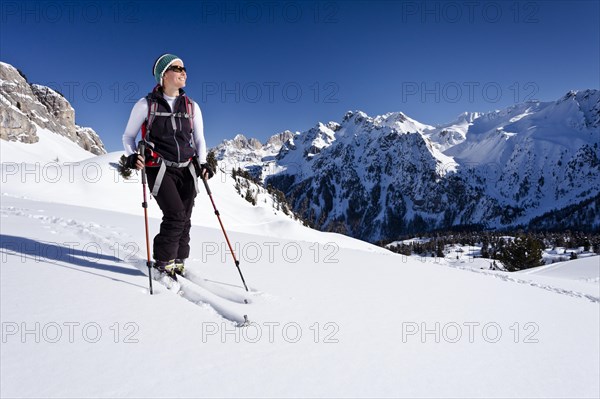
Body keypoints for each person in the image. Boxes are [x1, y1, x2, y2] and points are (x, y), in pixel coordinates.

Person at [122, 53, 214, 279]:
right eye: (177, 68)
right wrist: (132, 157)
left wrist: (203, 163)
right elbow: (128, 137)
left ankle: (179, 261)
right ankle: (164, 263)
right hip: (159, 167)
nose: (184, 72)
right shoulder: (146, 105)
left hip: (187, 168)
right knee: (175, 215)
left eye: (184, 68)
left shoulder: (192, 106)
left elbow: (200, 139)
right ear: (163, 75)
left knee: (186, 218)